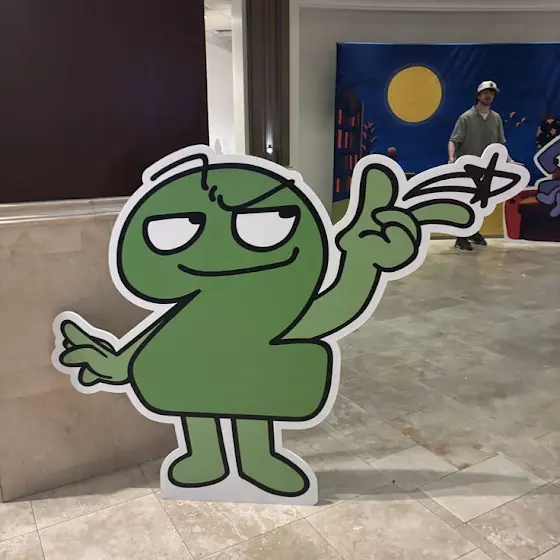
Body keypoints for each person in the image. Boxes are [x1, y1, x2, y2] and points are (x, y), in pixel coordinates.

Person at [448, 80, 507, 251]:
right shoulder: (466, 117)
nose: (489, 96)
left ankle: (473, 231)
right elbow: (453, 140)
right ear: (478, 95)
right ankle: (461, 237)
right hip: (468, 168)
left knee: (481, 203)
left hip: (487, 169)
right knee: (465, 202)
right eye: (485, 93)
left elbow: (500, 144)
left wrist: (509, 161)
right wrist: (451, 158)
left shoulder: (496, 118)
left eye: (492, 93)